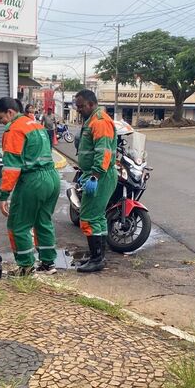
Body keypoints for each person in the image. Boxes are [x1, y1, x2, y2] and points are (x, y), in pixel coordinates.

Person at [0, 97, 60, 276]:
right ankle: (48, 264)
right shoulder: (36, 126)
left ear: (10, 112)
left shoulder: (14, 130)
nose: (0, 123)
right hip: (52, 178)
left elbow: (11, 167)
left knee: (18, 224)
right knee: (43, 221)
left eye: (0, 118)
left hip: (33, 181)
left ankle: (26, 267)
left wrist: (3, 195)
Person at [74, 89, 118, 273]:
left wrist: (95, 176)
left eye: (81, 106)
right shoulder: (91, 120)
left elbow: (103, 152)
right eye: (77, 107)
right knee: (98, 217)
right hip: (96, 174)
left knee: (88, 218)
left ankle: (97, 258)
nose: (79, 110)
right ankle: (97, 256)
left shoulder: (99, 122)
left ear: (92, 104)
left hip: (100, 176)